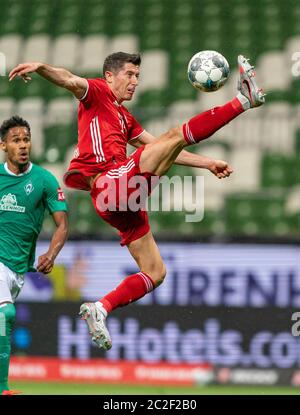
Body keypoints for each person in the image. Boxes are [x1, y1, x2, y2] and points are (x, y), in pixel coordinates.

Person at [9, 52, 265, 351]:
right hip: (109, 184)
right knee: (171, 137)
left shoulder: (125, 117)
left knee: (156, 272)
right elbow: (68, 79)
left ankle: (100, 308)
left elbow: (163, 148)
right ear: (109, 76)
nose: (134, 82)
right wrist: (41, 68)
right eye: (129, 75)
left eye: (137, 77)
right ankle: (243, 101)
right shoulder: (97, 93)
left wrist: (206, 163)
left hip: (123, 199)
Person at [0, 116, 68, 394]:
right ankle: (3, 387)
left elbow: (62, 224)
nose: (23, 145)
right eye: (16, 140)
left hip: (18, 268)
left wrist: (51, 254)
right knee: (5, 314)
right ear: (3, 145)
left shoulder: (44, 180)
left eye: (26, 139)